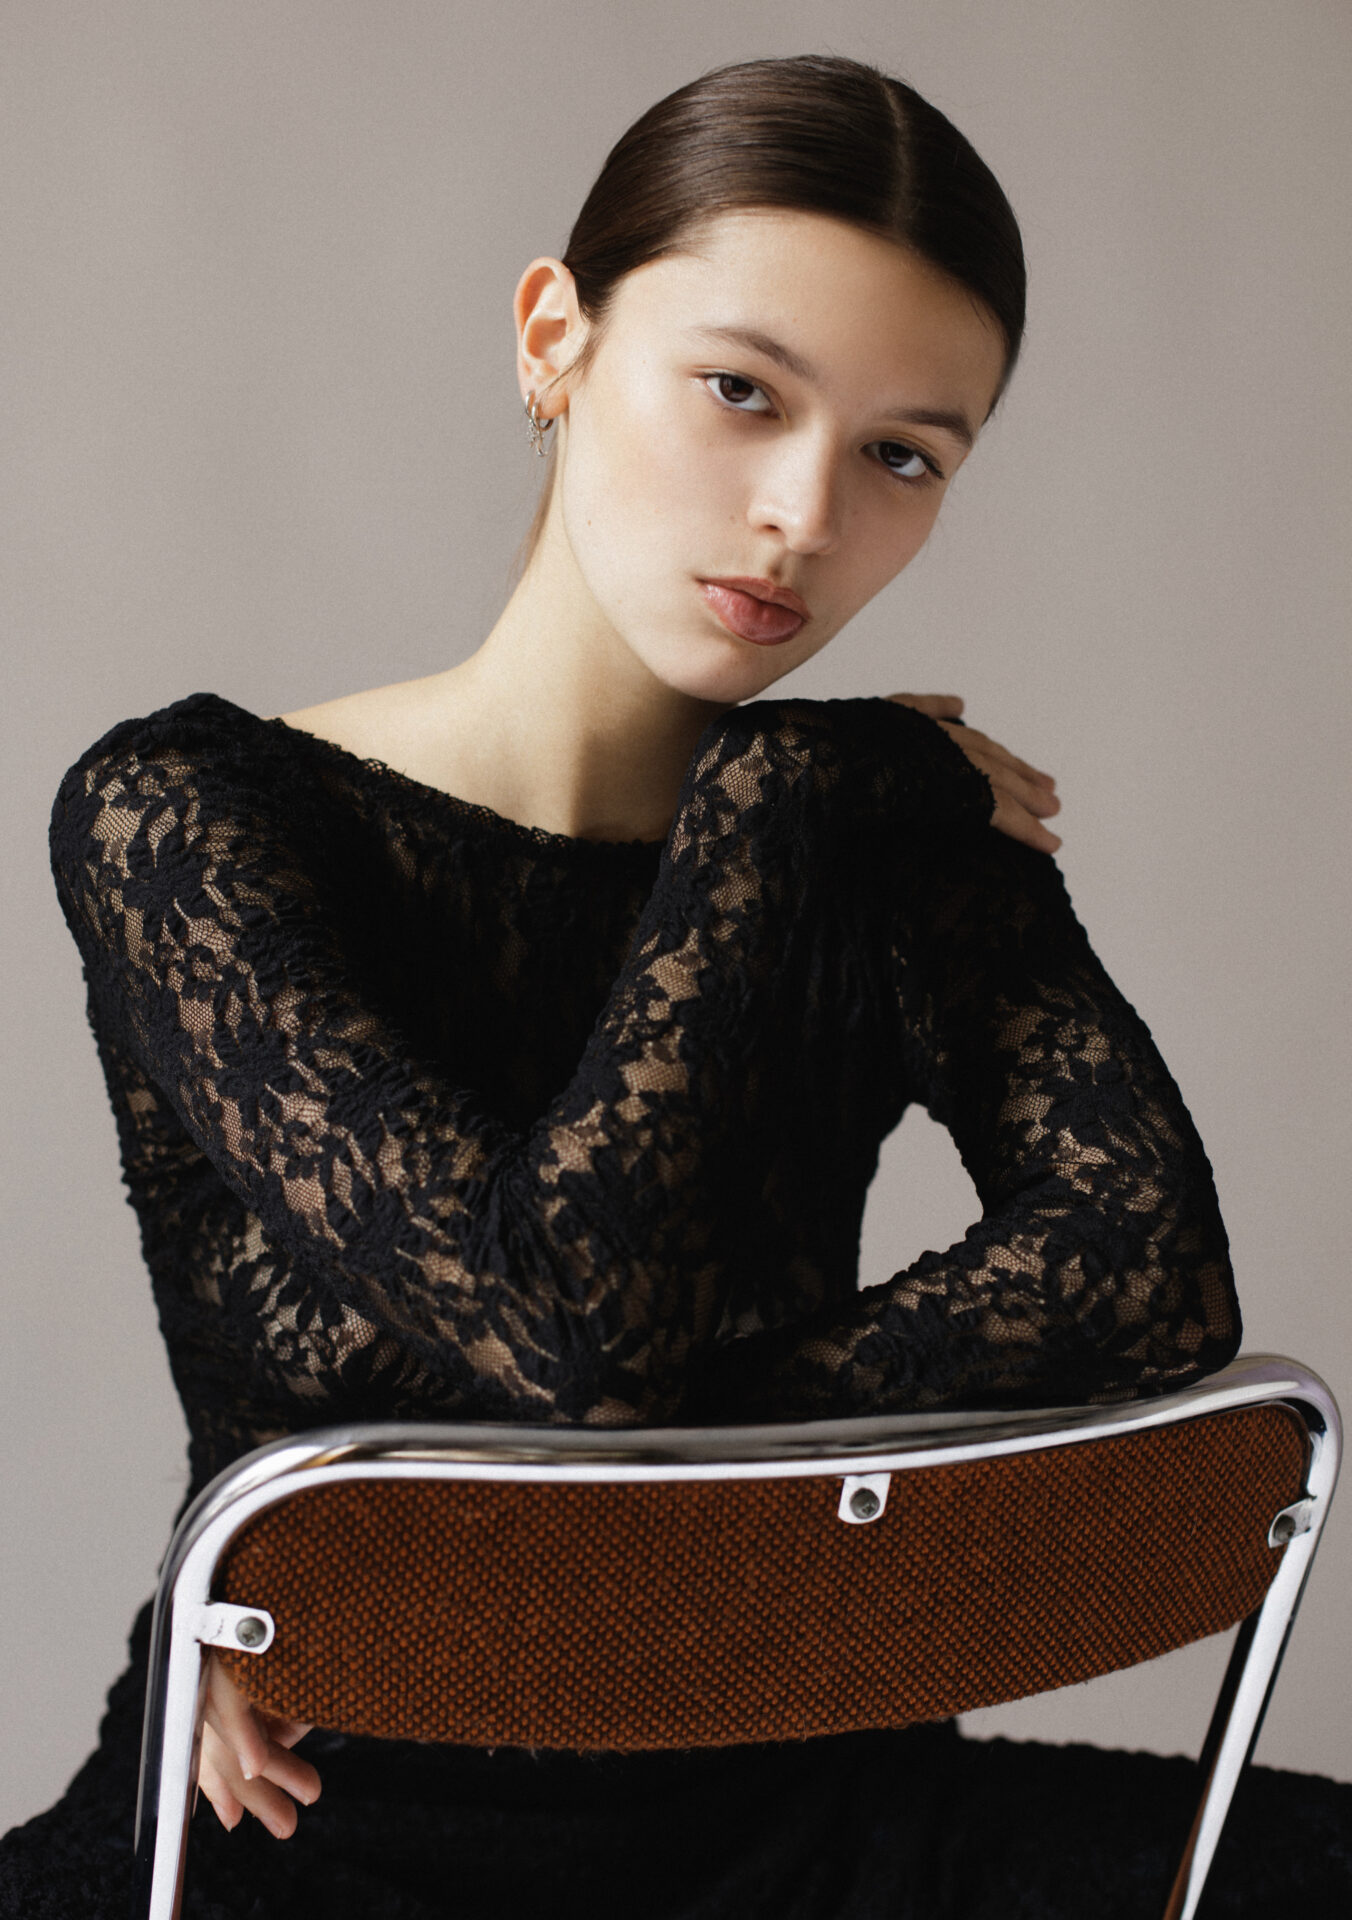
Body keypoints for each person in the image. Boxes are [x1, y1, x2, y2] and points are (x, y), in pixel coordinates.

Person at [2, 52, 1253, 1920]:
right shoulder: (190, 815)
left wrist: (789, 789)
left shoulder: (874, 831)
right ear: (554, 340)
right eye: (743, 390)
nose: (804, 514)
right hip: (312, 1815)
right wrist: (781, 791)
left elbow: (1153, 1277)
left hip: (819, 1795)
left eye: (903, 455)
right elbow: (566, 1325)